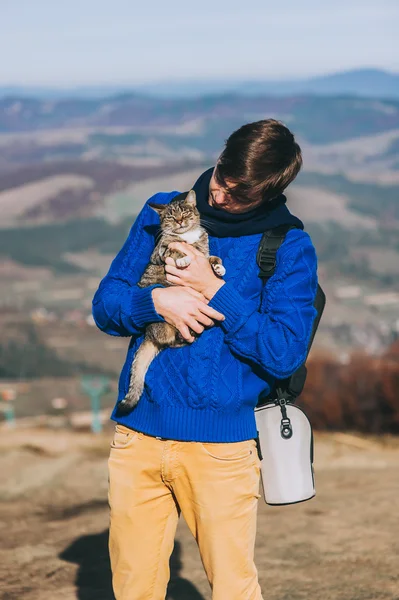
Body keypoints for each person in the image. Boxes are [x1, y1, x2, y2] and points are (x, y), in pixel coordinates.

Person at [92, 119, 319, 600]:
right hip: (138, 435)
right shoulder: (163, 211)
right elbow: (105, 305)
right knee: (133, 589)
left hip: (222, 448)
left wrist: (213, 288)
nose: (219, 197)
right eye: (220, 178)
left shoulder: (287, 245)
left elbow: (283, 353)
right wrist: (153, 303)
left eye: (238, 194)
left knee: (233, 589)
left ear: (268, 192)